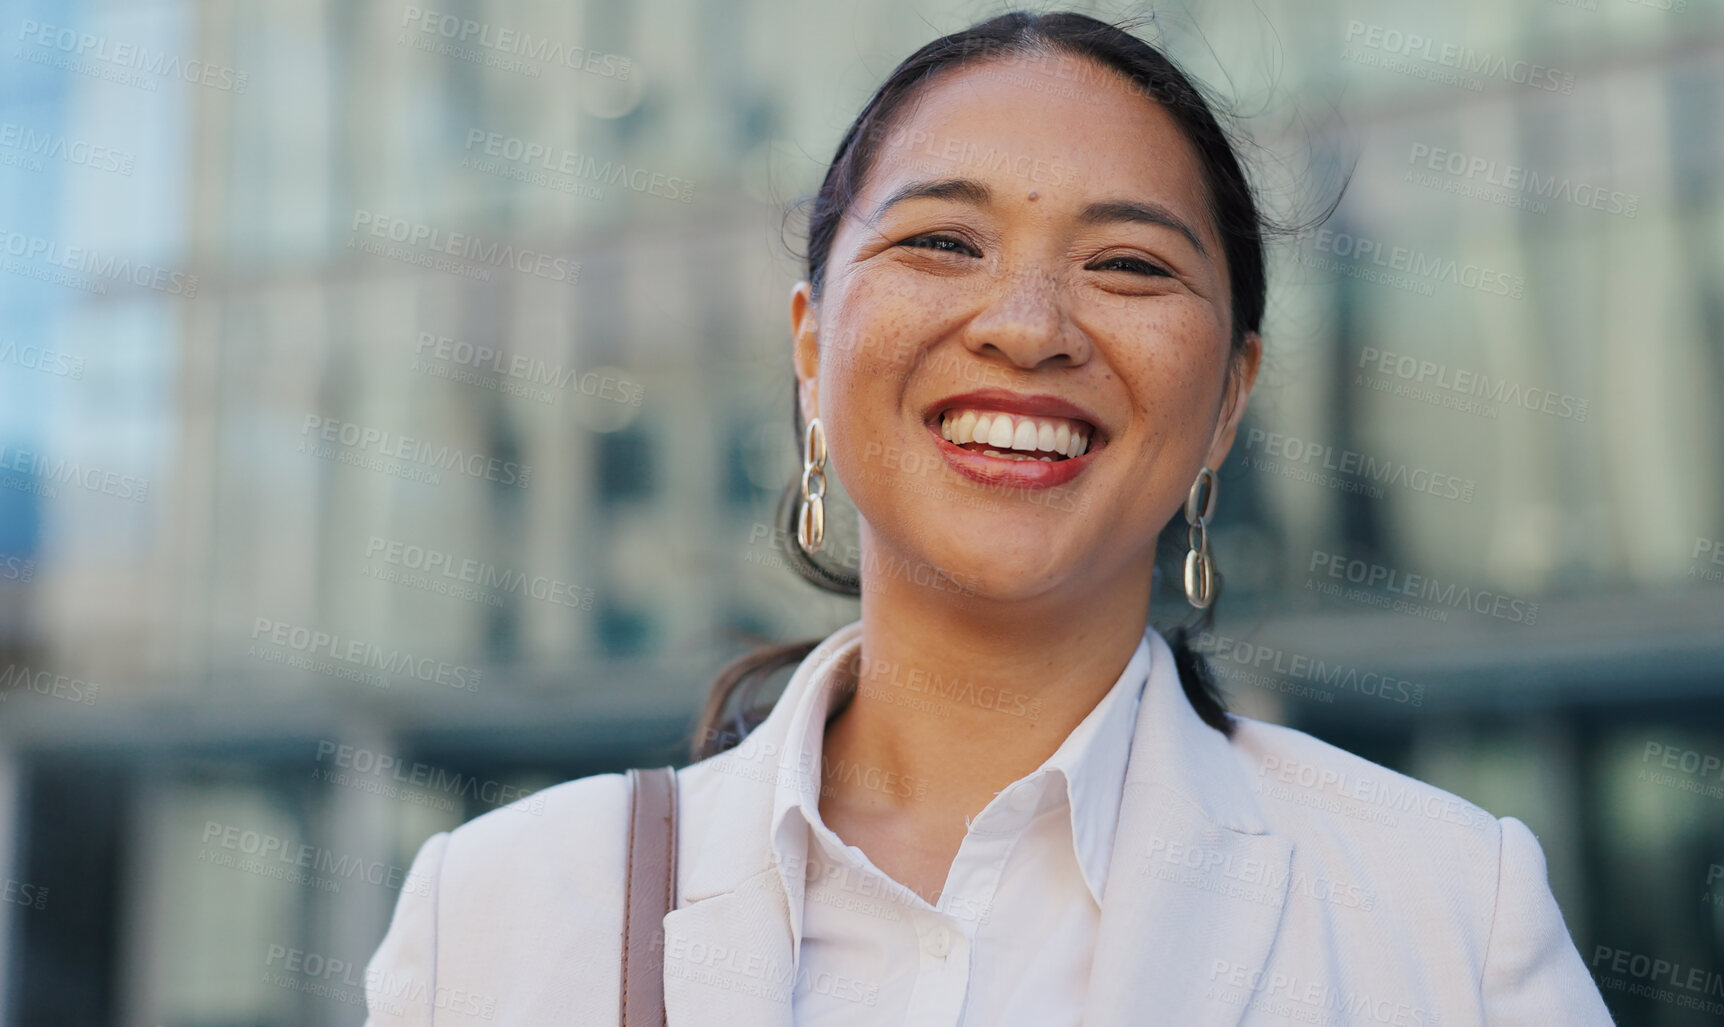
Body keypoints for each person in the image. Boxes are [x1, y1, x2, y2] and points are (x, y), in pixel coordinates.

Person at [362, 11, 1614, 1025]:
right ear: (811, 347)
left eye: (1128, 265)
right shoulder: (497, 909)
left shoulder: (1442, 907)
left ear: (1229, 394)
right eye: (943, 242)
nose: (1026, 326)